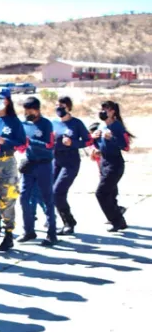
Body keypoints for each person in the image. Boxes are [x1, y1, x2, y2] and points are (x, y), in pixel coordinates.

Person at [0, 89, 26, 252]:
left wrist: (6, 141)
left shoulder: (14, 122)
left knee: (7, 199)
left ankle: (8, 234)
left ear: (7, 101)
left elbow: (22, 144)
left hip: (7, 162)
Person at [18, 96, 58, 246]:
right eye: (25, 110)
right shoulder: (23, 124)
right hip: (29, 164)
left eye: (30, 110)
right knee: (24, 197)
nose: (27, 113)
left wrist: (31, 142)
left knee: (47, 199)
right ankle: (29, 230)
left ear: (37, 110)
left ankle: (52, 233)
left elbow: (49, 145)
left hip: (44, 165)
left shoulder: (46, 124)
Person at [52, 96, 91, 235]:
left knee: (58, 192)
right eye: (57, 106)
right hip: (55, 160)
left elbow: (88, 141)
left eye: (62, 106)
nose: (59, 109)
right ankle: (63, 221)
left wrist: (73, 143)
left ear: (68, 108)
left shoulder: (76, 123)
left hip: (71, 162)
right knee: (52, 193)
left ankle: (69, 222)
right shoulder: (53, 123)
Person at [92, 101, 131, 232]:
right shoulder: (101, 126)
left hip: (115, 164)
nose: (103, 112)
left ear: (113, 111)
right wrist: (94, 140)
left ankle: (116, 220)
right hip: (103, 162)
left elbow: (126, 146)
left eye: (106, 109)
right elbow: (99, 145)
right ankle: (121, 222)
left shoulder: (117, 126)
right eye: (101, 109)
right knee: (110, 194)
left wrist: (112, 138)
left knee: (101, 193)